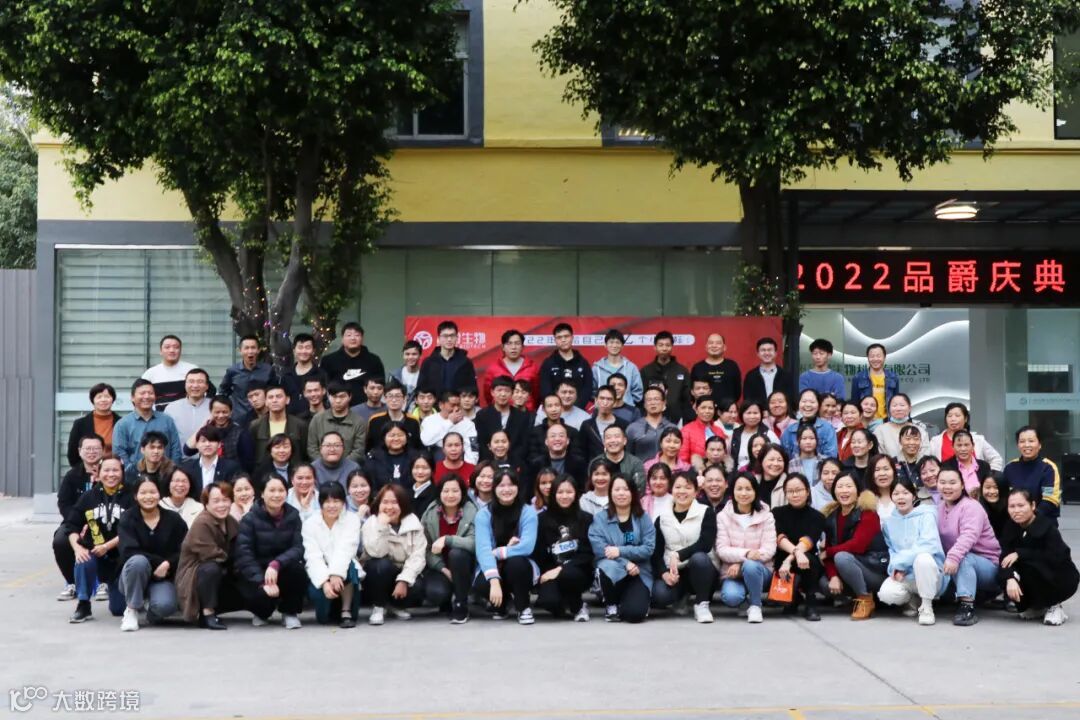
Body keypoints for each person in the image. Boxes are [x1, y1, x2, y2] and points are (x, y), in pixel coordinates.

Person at [65, 455, 132, 623]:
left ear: (122, 472)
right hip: (95, 552)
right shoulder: (88, 497)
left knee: (118, 610)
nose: (111, 474)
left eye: (115, 470)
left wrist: (107, 546)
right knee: (83, 559)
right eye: (106, 470)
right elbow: (71, 526)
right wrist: (78, 549)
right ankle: (83, 604)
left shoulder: (132, 496)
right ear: (98, 473)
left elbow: (133, 530)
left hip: (121, 557)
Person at [998, 488, 1079, 626]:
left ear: (1033, 505)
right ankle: (1037, 606)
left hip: (1060, 578)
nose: (1016, 510)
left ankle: (1054, 605)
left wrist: (1020, 554)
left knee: (1034, 566)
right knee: (1003, 574)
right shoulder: (1010, 527)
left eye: (1021, 505)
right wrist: (1009, 578)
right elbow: (1004, 556)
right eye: (1012, 506)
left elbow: (1057, 557)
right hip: (1031, 574)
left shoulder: (1047, 527)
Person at [235, 475, 306, 629]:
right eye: (272, 490)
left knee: (297, 570)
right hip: (257, 572)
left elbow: (298, 548)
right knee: (260, 595)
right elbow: (244, 554)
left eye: (281, 490)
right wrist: (262, 581)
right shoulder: (250, 519)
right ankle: (261, 613)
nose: (276, 495)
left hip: (281, 567)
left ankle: (289, 612)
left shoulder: (293, 515)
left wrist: (276, 564)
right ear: (262, 493)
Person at [117, 476, 187, 631]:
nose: (148, 497)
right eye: (143, 493)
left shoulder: (174, 519)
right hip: (133, 575)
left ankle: (151, 608)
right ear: (135, 496)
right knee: (138, 561)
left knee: (165, 606)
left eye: (152, 492)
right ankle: (132, 609)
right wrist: (159, 563)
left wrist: (168, 563)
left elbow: (184, 549)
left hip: (162, 577)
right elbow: (128, 551)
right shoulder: (128, 518)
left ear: (160, 494)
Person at [877, 477, 948, 626]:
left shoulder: (927, 515)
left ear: (914, 496)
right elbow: (892, 550)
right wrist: (895, 568)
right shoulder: (889, 523)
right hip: (906, 575)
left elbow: (929, 544)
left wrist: (902, 563)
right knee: (886, 594)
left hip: (931, 574)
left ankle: (927, 607)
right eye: (896, 493)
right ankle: (913, 599)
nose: (901, 497)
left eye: (905, 493)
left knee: (923, 558)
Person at [936, 468, 1002, 626]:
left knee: (964, 559)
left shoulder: (971, 507)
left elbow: (969, 536)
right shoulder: (940, 507)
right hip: (957, 565)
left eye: (952, 482)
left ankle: (967, 606)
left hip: (988, 566)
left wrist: (953, 557)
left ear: (962, 485)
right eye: (942, 482)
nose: (947, 487)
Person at [473, 469, 539, 624]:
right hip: (494, 565)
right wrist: (494, 580)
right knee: (483, 583)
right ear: (494, 488)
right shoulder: (483, 514)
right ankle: (502, 605)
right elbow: (483, 550)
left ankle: (523, 607)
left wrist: (498, 552)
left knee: (516, 563)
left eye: (511, 485)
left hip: (520, 566)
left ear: (518, 487)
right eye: (501, 485)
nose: (506, 489)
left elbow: (527, 547)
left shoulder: (528, 512)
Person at [652, 471, 719, 623]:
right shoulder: (662, 518)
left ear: (696, 492)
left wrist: (678, 555)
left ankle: (702, 604)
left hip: (703, 570)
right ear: (671, 490)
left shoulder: (706, 512)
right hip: (676, 572)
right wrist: (664, 574)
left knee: (699, 558)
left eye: (688, 487)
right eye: (678, 487)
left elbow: (705, 544)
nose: (682, 491)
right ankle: (681, 597)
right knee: (659, 595)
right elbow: (656, 553)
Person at [821, 472, 888, 620]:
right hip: (849, 570)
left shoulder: (867, 512)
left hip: (873, 569)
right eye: (840, 486)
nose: (844, 490)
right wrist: (833, 576)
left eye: (848, 486)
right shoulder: (832, 516)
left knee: (841, 557)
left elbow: (858, 545)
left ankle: (865, 599)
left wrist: (829, 552)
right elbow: (827, 552)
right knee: (824, 583)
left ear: (858, 490)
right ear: (834, 491)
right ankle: (856, 595)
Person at [176, 481, 242, 629]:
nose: (221, 505)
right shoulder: (202, 522)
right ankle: (207, 613)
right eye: (216, 501)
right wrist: (236, 560)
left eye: (225, 500)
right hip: (194, 575)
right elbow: (211, 554)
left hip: (222, 568)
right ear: (206, 504)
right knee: (211, 568)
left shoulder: (230, 521)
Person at [590, 473, 656, 623]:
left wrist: (620, 551)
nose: (621, 493)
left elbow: (648, 549)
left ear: (633, 493)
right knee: (607, 565)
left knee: (634, 615)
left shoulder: (643, 518)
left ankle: (631, 601)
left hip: (638, 571)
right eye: (617, 489)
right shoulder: (600, 518)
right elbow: (600, 549)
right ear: (610, 493)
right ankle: (611, 604)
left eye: (626, 489)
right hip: (613, 569)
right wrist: (625, 563)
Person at [361, 484, 427, 624]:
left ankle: (395, 606)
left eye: (394, 502)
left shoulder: (413, 523)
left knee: (418, 585)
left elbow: (418, 556)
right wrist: (382, 527)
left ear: (402, 504)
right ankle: (378, 606)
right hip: (377, 573)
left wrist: (403, 580)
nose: (389, 507)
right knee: (381, 565)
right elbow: (376, 552)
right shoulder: (371, 523)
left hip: (402, 571)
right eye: (385, 502)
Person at [715, 472, 776, 624]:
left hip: (760, 570)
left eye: (748, 489)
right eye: (739, 489)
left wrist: (742, 562)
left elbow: (769, 549)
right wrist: (747, 553)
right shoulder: (723, 516)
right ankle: (744, 602)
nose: (743, 493)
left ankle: (755, 606)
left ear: (755, 492)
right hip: (732, 573)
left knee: (750, 566)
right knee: (731, 597)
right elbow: (722, 549)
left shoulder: (766, 516)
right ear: (732, 491)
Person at [533, 475, 594, 621]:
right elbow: (539, 553)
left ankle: (578, 606)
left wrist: (560, 570)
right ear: (553, 494)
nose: (565, 496)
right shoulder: (541, 519)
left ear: (576, 494)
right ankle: (565, 603)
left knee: (570, 575)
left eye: (569, 492)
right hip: (550, 571)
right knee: (548, 601)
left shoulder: (586, 519)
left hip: (578, 571)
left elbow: (587, 553)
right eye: (560, 492)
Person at [302, 482, 361, 628]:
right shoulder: (310, 524)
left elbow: (346, 549)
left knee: (350, 566)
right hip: (321, 571)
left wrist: (336, 573)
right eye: (327, 502)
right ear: (320, 503)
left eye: (336, 501)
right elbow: (312, 556)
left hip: (343, 570)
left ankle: (346, 610)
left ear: (343, 502)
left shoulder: (352, 520)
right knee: (324, 618)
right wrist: (324, 582)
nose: (332, 506)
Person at [420, 474, 477, 623]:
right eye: (446, 491)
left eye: (455, 491)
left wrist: (448, 540)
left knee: (457, 553)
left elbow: (474, 543)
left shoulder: (472, 511)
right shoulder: (430, 513)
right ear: (439, 493)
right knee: (436, 593)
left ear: (462, 493)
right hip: (440, 567)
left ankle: (461, 604)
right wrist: (443, 569)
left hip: (466, 567)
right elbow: (425, 547)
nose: (450, 495)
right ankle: (445, 601)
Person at [55, 434, 104, 600]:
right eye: (87, 448)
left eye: (96, 448)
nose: (91, 452)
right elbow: (64, 503)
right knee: (61, 540)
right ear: (79, 451)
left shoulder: (110, 472)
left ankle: (104, 581)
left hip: (103, 521)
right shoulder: (71, 476)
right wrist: (77, 522)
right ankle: (72, 582)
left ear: (103, 451)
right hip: (75, 522)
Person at [773, 473, 828, 621]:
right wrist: (792, 556)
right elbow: (780, 538)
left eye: (799, 490)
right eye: (790, 491)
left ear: (807, 491)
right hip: (782, 559)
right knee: (796, 559)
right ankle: (795, 598)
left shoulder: (817, 516)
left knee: (808, 560)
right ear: (785, 493)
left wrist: (790, 559)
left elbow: (808, 541)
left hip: (807, 561)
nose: (795, 494)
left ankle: (811, 603)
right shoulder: (777, 513)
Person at [113, 379, 183, 467]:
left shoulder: (167, 420)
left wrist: (172, 471)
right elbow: (119, 452)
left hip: (165, 472)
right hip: (136, 473)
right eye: (142, 393)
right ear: (132, 397)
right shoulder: (123, 424)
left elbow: (175, 449)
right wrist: (131, 472)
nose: (146, 396)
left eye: (150, 393)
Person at [1002, 425, 1061, 522]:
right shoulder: (1009, 467)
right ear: (1018, 445)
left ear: (1039, 444)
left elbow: (1050, 500)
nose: (1026, 445)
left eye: (1031, 441)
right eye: (1022, 441)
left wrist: (1029, 518)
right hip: (1015, 522)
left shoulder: (1048, 468)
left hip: (1042, 522)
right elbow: (1004, 497)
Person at [185, 395, 255, 473]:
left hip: (232, 476)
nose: (221, 416)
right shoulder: (206, 431)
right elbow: (188, 450)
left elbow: (248, 464)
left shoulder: (241, 433)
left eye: (224, 412)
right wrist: (204, 425)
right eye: (217, 412)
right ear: (211, 412)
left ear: (231, 412)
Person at [319, 322, 386, 403]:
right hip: (337, 406)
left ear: (362, 338)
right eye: (349, 335)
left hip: (367, 407)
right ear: (342, 339)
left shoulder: (374, 360)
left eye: (357, 335)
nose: (353, 338)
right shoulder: (329, 360)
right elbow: (322, 387)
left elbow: (380, 385)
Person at [245, 384, 308, 467]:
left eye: (278, 397)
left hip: (293, 469)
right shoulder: (256, 425)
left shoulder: (300, 425)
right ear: (266, 402)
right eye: (270, 397)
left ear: (287, 400)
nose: (274, 400)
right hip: (264, 470)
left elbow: (304, 452)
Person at [475, 375, 531, 468]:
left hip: (515, 464)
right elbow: (481, 444)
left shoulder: (521, 416)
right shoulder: (482, 415)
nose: (503, 394)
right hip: (489, 464)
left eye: (507, 391)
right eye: (499, 390)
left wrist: (512, 463)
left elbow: (523, 444)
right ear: (492, 392)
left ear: (512, 393)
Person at [929, 402, 1004, 470]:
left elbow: (996, 459)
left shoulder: (978, 439)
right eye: (949, 416)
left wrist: (987, 477)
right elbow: (927, 464)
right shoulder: (936, 441)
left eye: (957, 415)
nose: (953, 419)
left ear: (965, 418)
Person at [219, 335, 275, 423]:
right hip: (239, 418)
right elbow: (223, 392)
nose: (250, 351)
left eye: (253, 348)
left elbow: (273, 391)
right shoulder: (232, 371)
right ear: (240, 350)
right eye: (246, 348)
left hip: (263, 418)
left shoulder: (268, 370)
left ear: (258, 350)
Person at [480, 329, 539, 411]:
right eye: (509, 343)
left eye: (517, 343)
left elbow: (536, 393)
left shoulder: (532, 367)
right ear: (503, 347)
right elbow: (488, 394)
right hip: (500, 412)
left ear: (522, 347)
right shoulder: (493, 368)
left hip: (526, 412)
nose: (513, 347)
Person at [417, 320, 478, 398]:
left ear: (457, 337)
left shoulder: (466, 362)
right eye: (445, 336)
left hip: (458, 404)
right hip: (436, 405)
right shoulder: (428, 362)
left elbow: (472, 389)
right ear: (439, 338)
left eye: (452, 336)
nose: (449, 339)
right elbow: (421, 389)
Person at [642, 331, 692, 423]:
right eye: (661, 345)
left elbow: (687, 398)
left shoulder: (682, 371)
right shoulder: (646, 371)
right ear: (655, 347)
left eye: (667, 345)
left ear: (672, 347)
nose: (664, 348)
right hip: (651, 420)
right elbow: (641, 398)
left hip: (677, 420)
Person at [67, 383, 120, 467]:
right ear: (93, 400)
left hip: (114, 469)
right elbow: (72, 454)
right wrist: (84, 470)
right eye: (99, 397)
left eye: (107, 396)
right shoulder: (80, 424)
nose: (103, 400)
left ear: (112, 399)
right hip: (88, 470)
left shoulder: (122, 423)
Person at [527, 423, 587, 495]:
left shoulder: (579, 463)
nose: (557, 439)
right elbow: (531, 491)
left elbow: (582, 490)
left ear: (568, 441)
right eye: (553, 436)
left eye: (561, 436)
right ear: (546, 442)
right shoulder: (536, 464)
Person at [420, 389, 479, 463]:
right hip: (437, 460)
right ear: (441, 405)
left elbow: (473, 449)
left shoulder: (468, 424)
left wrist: (468, 467)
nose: (456, 408)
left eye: (458, 405)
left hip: (460, 460)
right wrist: (449, 422)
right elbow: (426, 441)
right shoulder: (429, 420)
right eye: (452, 405)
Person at [180, 426, 239, 498]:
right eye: (203, 441)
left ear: (219, 444)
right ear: (197, 445)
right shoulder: (187, 468)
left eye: (211, 441)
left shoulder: (231, 467)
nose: (207, 444)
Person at [142, 335, 198, 409]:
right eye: (167, 347)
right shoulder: (150, 374)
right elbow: (141, 398)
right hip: (159, 415)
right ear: (160, 351)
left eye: (176, 347)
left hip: (187, 415)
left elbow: (208, 393)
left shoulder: (192, 370)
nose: (172, 350)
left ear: (180, 350)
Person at [366, 379, 423, 451]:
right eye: (390, 396)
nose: (394, 400)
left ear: (404, 398)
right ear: (385, 398)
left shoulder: (413, 421)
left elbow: (417, 447)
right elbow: (369, 447)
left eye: (398, 396)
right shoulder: (375, 421)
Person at [780, 389, 839, 459]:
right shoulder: (789, 431)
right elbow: (784, 458)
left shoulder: (827, 429)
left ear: (819, 405)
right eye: (804, 401)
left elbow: (831, 457)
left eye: (812, 402)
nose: (808, 405)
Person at [592, 329, 644, 405]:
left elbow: (638, 393)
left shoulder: (631, 367)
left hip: (626, 410)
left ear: (622, 346)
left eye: (617, 342)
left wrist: (627, 403)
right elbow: (592, 392)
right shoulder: (596, 368)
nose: (614, 346)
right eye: (611, 342)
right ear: (605, 345)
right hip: (603, 409)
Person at [850, 343, 899, 422]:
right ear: (868, 358)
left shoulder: (893, 377)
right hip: (865, 421)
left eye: (878, 356)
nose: (875, 359)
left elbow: (896, 401)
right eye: (872, 356)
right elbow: (854, 402)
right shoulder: (858, 377)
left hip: (887, 420)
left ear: (884, 357)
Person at [277, 333, 323, 416]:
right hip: (290, 419)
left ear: (313, 351)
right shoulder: (286, 375)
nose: (304, 351)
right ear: (294, 351)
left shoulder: (321, 374)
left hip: (314, 418)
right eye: (300, 347)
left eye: (307, 347)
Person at [580, 385, 629, 463]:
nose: (605, 402)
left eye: (609, 399)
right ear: (596, 400)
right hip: (594, 467)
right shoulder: (587, 425)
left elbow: (627, 451)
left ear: (614, 402)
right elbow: (581, 452)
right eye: (602, 398)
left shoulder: (623, 424)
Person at [627, 386, 678, 461]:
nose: (652, 403)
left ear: (664, 403)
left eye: (656, 399)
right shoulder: (633, 428)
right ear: (644, 404)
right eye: (649, 400)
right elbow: (628, 456)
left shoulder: (672, 428)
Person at [691, 333, 741, 408]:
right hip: (705, 411)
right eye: (711, 343)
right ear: (706, 347)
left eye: (718, 343)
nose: (714, 346)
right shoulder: (698, 368)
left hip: (726, 411)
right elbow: (692, 392)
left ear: (724, 347)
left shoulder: (732, 366)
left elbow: (737, 392)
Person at [163, 368, 212, 446]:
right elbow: (166, 437)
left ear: (207, 386)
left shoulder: (214, 407)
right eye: (191, 381)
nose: (195, 385)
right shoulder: (171, 408)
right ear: (185, 384)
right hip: (179, 453)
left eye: (200, 382)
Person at [364, 422, 419, 492]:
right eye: (392, 435)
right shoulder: (373, 457)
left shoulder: (416, 457)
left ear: (406, 437)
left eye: (400, 435)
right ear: (384, 437)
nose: (396, 439)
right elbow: (370, 485)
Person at [873, 395, 930, 459]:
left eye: (902, 405)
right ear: (889, 409)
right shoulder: (880, 431)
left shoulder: (920, 430)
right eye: (894, 405)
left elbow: (925, 454)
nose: (898, 409)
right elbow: (877, 455)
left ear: (910, 408)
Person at [679, 395, 727, 472]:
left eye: (710, 408)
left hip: (718, 472)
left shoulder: (719, 431)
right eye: (703, 408)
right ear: (696, 410)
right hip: (694, 472)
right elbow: (682, 458)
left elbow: (724, 455)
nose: (707, 411)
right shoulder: (686, 430)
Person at [941, 429, 991, 498]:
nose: (963, 449)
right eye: (959, 445)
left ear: (973, 446)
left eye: (966, 445)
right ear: (953, 447)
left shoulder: (984, 466)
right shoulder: (946, 467)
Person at [743, 337, 792, 406]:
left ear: (775, 353)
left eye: (770, 350)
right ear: (758, 354)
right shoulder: (751, 376)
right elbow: (748, 400)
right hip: (759, 412)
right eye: (763, 350)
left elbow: (790, 399)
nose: (766, 353)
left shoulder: (786, 376)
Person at [728, 400, 766, 470]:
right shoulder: (735, 434)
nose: (752, 416)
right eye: (748, 413)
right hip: (738, 474)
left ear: (761, 414)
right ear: (741, 414)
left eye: (755, 413)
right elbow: (729, 455)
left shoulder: (767, 434)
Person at [787, 424, 827, 489]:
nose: (808, 442)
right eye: (804, 438)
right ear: (798, 441)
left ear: (817, 441)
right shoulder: (792, 464)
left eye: (812, 438)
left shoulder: (825, 461)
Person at [392, 340, 423, 410]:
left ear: (420, 356)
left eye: (414, 354)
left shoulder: (425, 376)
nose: (410, 357)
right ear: (403, 355)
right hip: (398, 412)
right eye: (407, 354)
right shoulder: (394, 376)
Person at [757, 443, 789, 508]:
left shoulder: (789, 484)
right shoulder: (754, 482)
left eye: (779, 460)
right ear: (761, 460)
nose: (775, 463)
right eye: (771, 459)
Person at [867, 453, 898, 521]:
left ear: (894, 471)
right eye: (877, 470)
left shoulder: (903, 496)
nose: (882, 473)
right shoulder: (866, 501)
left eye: (886, 469)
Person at [979, 473, 1010, 540]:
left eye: (996, 487)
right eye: (988, 487)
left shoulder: (1011, 508)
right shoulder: (976, 508)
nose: (992, 491)